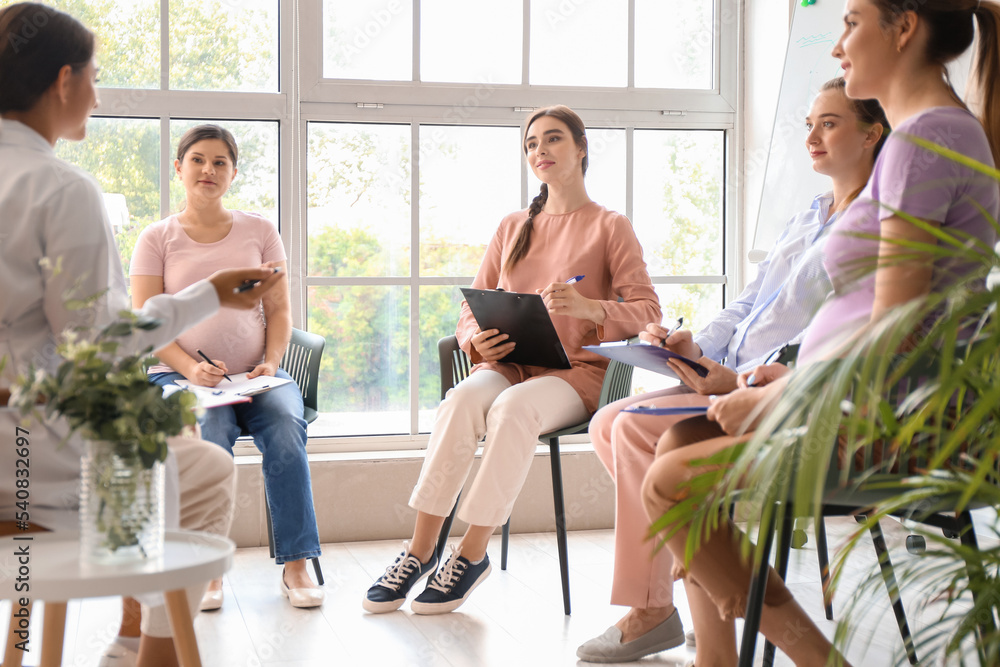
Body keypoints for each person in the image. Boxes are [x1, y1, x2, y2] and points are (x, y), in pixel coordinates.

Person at [641, 1, 1000, 665]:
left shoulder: (921, 146)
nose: (839, 46)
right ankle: (717, 658)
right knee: (678, 436)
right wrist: (791, 376)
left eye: (851, 22)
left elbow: (896, 329)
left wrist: (783, 397)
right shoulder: (934, 134)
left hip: (897, 425)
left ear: (904, 29)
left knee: (669, 485)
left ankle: (817, 661)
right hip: (866, 399)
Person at [0, 4, 283, 667]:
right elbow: (95, 344)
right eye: (94, 79)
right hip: (29, 463)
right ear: (64, 81)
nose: (97, 96)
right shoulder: (58, 188)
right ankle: (146, 649)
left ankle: (116, 639)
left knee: (151, 447)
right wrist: (208, 296)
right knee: (203, 469)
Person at [576, 77, 889, 664]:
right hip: (727, 371)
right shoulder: (810, 215)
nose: (813, 138)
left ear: (872, 133)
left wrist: (743, 379)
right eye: (809, 125)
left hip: (773, 392)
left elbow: (827, 335)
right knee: (604, 424)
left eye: (830, 123)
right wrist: (694, 344)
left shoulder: (875, 224)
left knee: (632, 429)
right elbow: (749, 302)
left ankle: (656, 609)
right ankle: (704, 581)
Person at [362, 105, 661, 615]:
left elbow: (649, 311)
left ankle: (471, 553)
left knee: (513, 409)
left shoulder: (611, 227)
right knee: (461, 400)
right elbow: (469, 305)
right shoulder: (513, 225)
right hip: (511, 365)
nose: (539, 151)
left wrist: (593, 309)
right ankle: (419, 550)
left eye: (552, 140)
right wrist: (478, 341)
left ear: (581, 148)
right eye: (530, 144)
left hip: (578, 374)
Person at [130, 124, 324, 610]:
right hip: (181, 378)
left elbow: (279, 310)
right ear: (179, 168)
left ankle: (297, 563)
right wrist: (190, 371)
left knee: (284, 425)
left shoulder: (260, 230)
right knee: (208, 432)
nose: (208, 170)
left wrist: (271, 362)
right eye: (197, 160)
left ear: (233, 173)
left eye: (220, 162)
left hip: (259, 378)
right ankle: (207, 565)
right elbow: (148, 325)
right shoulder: (156, 238)